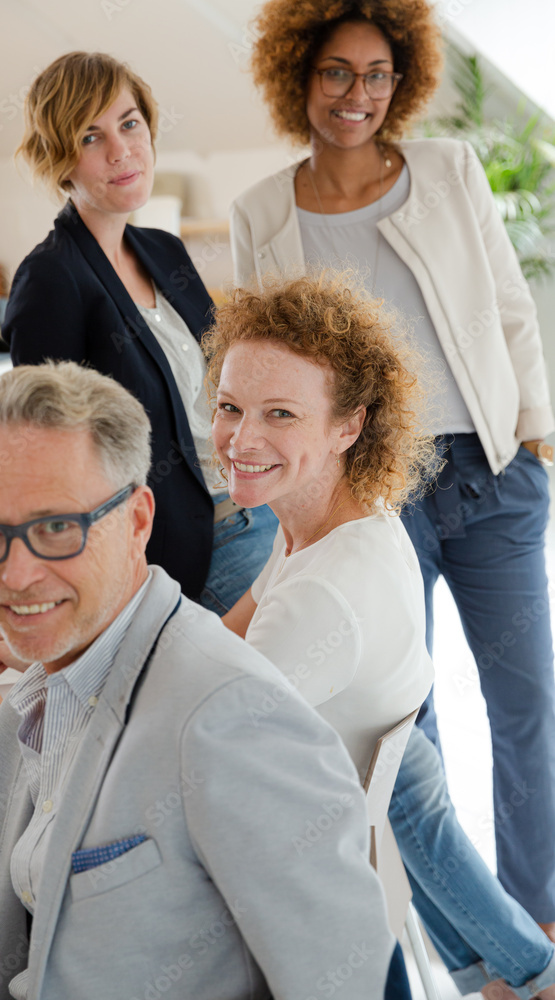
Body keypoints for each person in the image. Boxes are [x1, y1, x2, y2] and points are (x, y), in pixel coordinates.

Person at [0, 360, 394, 1000]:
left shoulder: (234, 720)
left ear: (136, 521)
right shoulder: (46, 691)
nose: (14, 576)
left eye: (55, 528)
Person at [230, 0, 555, 945]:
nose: (356, 95)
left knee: (525, 706)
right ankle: (467, 942)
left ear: (400, 79)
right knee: (405, 727)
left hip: (488, 476)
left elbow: (507, 307)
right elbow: (259, 359)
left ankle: (534, 927)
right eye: (336, 71)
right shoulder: (263, 211)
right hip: (373, 492)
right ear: (299, 75)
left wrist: (533, 434)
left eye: (376, 74)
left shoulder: (447, 171)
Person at [203, 273, 555, 1000]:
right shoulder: (336, 519)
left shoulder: (322, 594)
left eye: (279, 414)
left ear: (348, 425)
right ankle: (523, 977)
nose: (241, 438)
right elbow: (230, 631)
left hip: (308, 869)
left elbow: (200, 746)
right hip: (374, 782)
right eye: (229, 407)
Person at [2, 50, 276, 610]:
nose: (122, 150)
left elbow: (225, 382)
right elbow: (51, 453)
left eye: (129, 124)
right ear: (61, 158)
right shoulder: (52, 277)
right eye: (89, 136)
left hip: (259, 506)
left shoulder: (162, 250)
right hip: (188, 551)